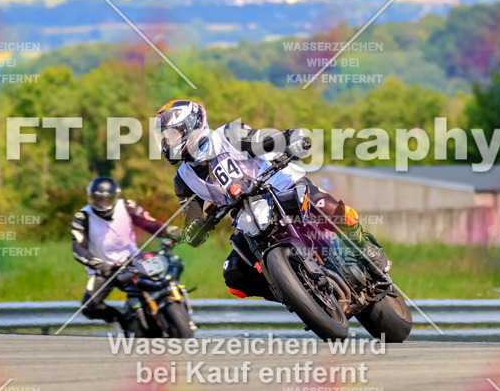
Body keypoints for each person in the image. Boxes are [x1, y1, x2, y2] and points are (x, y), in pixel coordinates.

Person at [154, 99, 389, 300]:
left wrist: (288, 139)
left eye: (171, 135)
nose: (167, 143)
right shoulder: (182, 180)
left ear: (191, 126)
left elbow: (262, 140)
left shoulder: (227, 135)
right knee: (233, 276)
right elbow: (191, 217)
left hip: (282, 187)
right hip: (249, 220)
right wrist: (193, 230)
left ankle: (363, 246)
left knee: (328, 208)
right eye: (164, 138)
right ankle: (293, 295)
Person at [70, 176, 182, 324]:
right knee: (90, 306)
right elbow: (78, 248)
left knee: (167, 271)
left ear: (115, 197)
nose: (102, 203)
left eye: (107, 199)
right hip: (103, 269)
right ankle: (121, 321)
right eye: (97, 199)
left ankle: (176, 303)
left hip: (133, 260)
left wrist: (167, 230)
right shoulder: (82, 217)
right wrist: (97, 264)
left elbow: (148, 223)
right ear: (91, 198)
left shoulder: (128, 207)